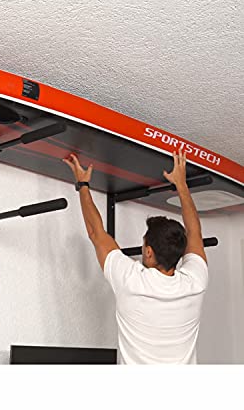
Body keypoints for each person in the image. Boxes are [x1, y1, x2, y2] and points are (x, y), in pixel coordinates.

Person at [62, 148, 209, 364]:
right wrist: (182, 184)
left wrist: (83, 183)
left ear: (149, 252)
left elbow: (96, 233)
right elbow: (194, 232)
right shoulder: (195, 283)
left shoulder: (132, 280)